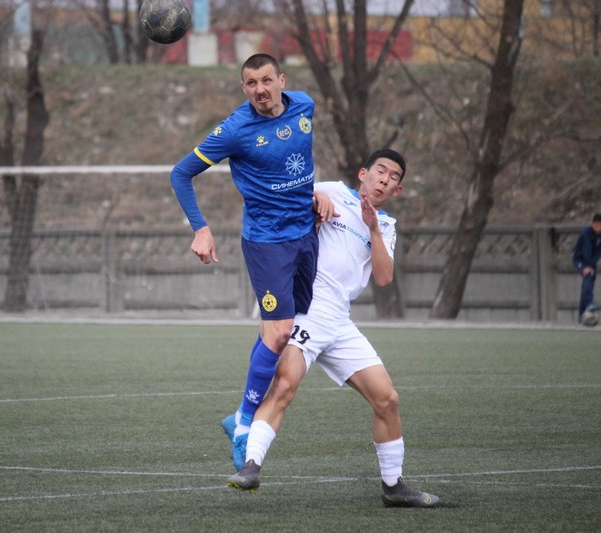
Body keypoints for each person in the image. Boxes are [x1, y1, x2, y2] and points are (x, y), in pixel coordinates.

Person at [226, 149, 441, 508]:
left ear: (397, 190)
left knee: (387, 399)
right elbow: (287, 194)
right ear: (363, 173)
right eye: (380, 171)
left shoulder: (386, 226)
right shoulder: (333, 191)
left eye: (393, 178)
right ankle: (250, 467)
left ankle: (393, 487)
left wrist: (373, 228)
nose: (384, 180)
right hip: (305, 309)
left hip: (340, 322)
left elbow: (384, 278)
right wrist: (315, 195)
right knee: (284, 385)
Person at [170, 53, 335, 469]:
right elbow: (180, 173)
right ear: (243, 88)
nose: (260, 90)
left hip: (306, 237)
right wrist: (200, 229)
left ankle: (240, 416)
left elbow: (298, 162)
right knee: (279, 334)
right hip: (267, 243)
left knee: (278, 330)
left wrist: (314, 192)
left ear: (281, 80)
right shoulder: (235, 130)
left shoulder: (304, 106)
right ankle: (244, 423)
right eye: (251, 83)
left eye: (266, 80)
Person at [572, 213, 601, 324]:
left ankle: (581, 316)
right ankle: (589, 303)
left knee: (587, 286)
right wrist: (586, 267)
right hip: (580, 260)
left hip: (591, 262)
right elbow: (586, 251)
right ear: (592, 224)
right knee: (588, 279)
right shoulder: (586, 233)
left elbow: (598, 253)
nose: (598, 228)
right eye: (596, 225)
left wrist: (592, 264)